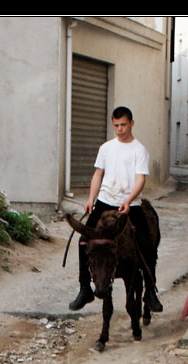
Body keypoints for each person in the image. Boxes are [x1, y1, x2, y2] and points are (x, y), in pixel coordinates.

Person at [69, 106, 163, 312]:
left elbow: (140, 180)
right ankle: (85, 288)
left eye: (123, 125)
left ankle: (150, 293)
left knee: (146, 244)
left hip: (130, 203)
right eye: (116, 125)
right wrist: (91, 198)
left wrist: (129, 200)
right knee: (83, 241)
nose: (120, 129)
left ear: (131, 124)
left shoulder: (139, 150)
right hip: (105, 200)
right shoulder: (106, 148)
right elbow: (97, 174)